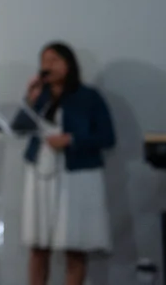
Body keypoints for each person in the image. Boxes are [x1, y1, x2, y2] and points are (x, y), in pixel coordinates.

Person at [16, 42, 116, 285]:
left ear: (69, 64)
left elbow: (108, 137)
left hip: (76, 177)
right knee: (38, 247)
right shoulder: (40, 97)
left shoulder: (89, 97)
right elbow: (18, 128)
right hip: (41, 175)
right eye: (44, 61)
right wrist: (29, 99)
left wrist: (71, 139)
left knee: (74, 245)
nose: (48, 66)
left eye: (54, 60)